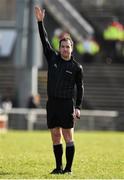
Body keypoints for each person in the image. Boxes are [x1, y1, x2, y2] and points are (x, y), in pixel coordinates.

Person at [34, 6, 84, 174]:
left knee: (68, 136)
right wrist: (40, 22)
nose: (64, 49)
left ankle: (68, 169)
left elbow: (80, 88)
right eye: (62, 46)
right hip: (52, 103)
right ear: (60, 47)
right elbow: (44, 40)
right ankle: (58, 167)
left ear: (72, 48)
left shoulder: (77, 67)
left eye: (67, 47)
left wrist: (77, 107)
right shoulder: (52, 57)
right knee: (55, 136)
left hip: (66, 104)